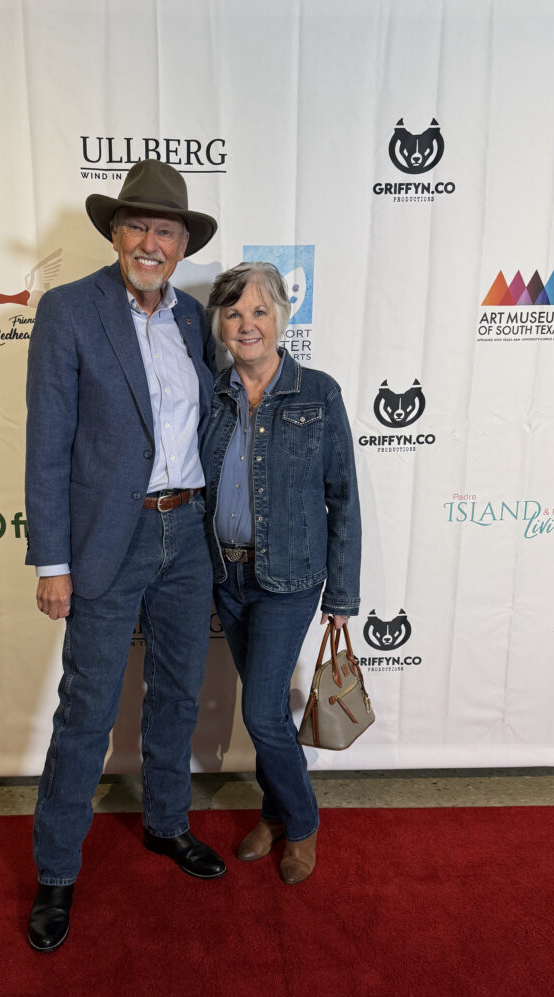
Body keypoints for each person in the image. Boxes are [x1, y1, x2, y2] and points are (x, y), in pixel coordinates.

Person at [24, 160, 225, 953]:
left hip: (189, 533)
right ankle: (55, 873)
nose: (150, 241)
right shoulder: (70, 311)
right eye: (137, 226)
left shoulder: (190, 320)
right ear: (114, 233)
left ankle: (166, 824)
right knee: (87, 714)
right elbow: (48, 445)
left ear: (181, 244)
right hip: (109, 539)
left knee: (177, 696)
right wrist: (51, 562)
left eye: (165, 230)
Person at [201, 262, 361, 884]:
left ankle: (300, 824)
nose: (247, 325)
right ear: (220, 323)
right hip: (226, 576)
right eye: (234, 313)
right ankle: (272, 812)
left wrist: (343, 593)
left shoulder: (318, 393)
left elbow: (342, 496)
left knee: (264, 710)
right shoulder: (213, 395)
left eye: (260, 311)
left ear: (282, 319)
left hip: (290, 579)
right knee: (264, 710)